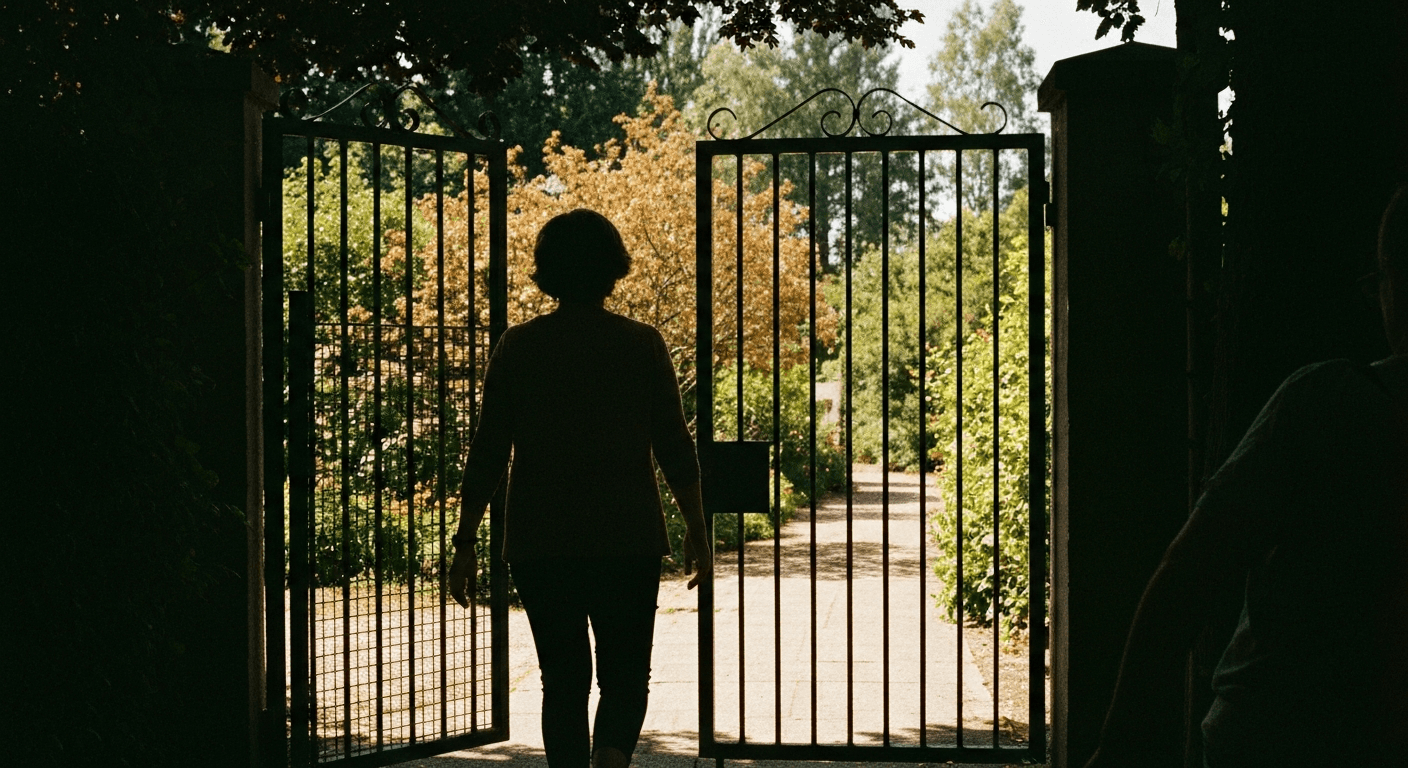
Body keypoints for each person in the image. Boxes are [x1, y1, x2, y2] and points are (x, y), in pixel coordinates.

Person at [1085, 186, 1408, 768]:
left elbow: (1188, 574)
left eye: (1380, 279)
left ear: (1396, 285)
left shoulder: (1328, 402)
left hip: (1277, 734)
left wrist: (1120, 741)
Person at [446, 209, 713, 768]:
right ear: (611, 268)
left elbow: (488, 448)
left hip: (542, 539)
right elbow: (674, 443)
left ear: (548, 270)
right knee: (625, 673)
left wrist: (465, 540)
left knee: (562, 679)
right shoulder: (641, 344)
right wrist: (696, 526)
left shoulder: (519, 347)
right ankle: (612, 757)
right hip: (627, 535)